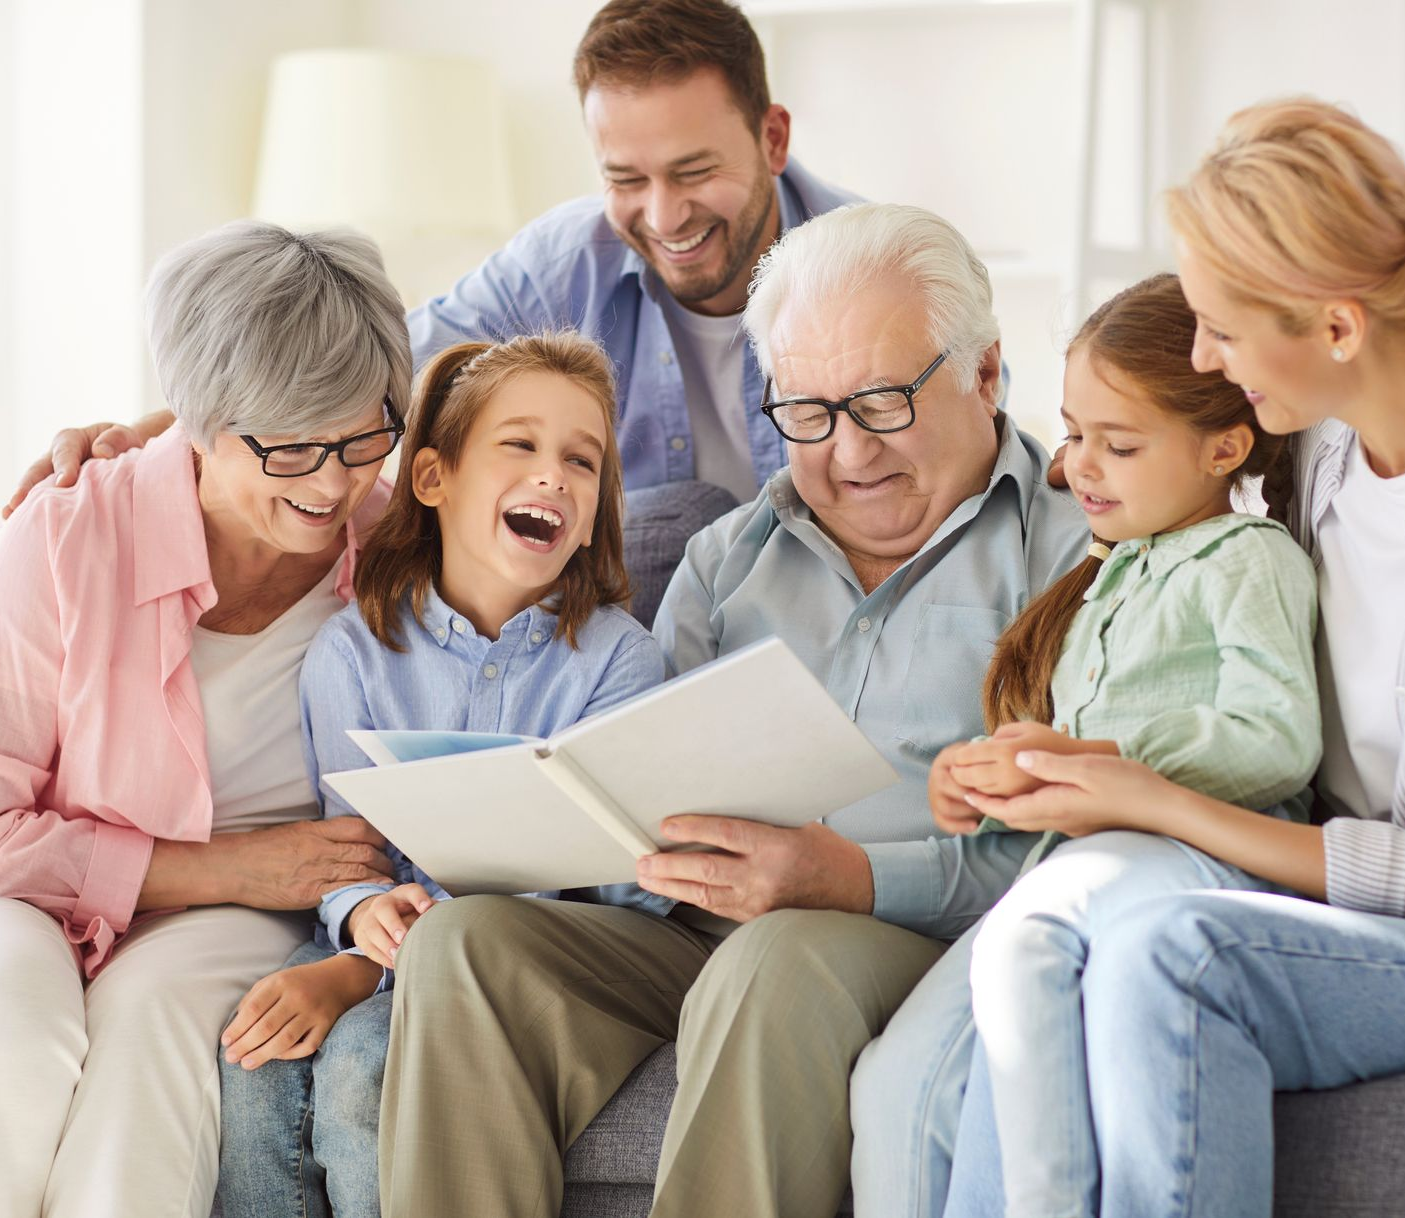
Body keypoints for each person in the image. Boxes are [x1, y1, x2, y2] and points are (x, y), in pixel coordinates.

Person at [937, 98, 1405, 1217]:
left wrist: (1154, 798)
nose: (1204, 357)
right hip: (1368, 891)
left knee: (1179, 955)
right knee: (1057, 946)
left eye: (1219, 326)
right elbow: (1161, 503)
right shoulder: (1324, 440)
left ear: (1337, 327)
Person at [374, 202, 1091, 1218]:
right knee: (467, 947)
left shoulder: (1071, 554)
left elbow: (1084, 839)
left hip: (916, 936)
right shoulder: (728, 558)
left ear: (982, 374)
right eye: (805, 413)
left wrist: (848, 878)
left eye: (882, 402)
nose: (847, 454)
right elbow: (649, 772)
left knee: (774, 957)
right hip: (702, 933)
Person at [5, 0, 861, 602]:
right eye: (625, 178)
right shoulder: (567, 256)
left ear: (772, 137)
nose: (664, 215)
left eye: (695, 171)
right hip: (618, 612)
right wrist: (149, 430)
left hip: (810, 602)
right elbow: (370, 374)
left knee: (700, 524)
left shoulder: (869, 271)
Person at [852, 271, 1320, 1218]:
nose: (1077, 467)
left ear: (1224, 446)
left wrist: (1094, 756)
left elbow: (1277, 734)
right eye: (1072, 434)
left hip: (1198, 856)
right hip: (1076, 868)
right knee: (894, 1084)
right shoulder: (1105, 577)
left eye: (1120, 444)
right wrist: (979, 785)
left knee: (1024, 955)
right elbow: (1070, 761)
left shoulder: (1248, 558)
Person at [0, 220, 413, 1217]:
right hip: (44, 887)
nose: (332, 483)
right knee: (14, 1033)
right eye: (291, 449)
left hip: (269, 910)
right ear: (196, 421)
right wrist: (215, 867)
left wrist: (259, 885)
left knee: (153, 1021)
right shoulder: (67, 534)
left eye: (362, 439)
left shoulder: (400, 547)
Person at [214, 332, 666, 1218]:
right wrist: (360, 917)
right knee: (257, 1069)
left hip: (525, 959)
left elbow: (588, 886)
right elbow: (352, 851)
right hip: (377, 937)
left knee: (362, 1062)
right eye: (521, 445)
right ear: (432, 479)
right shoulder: (352, 652)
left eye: (583, 460)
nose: (555, 477)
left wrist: (355, 974)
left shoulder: (620, 663)